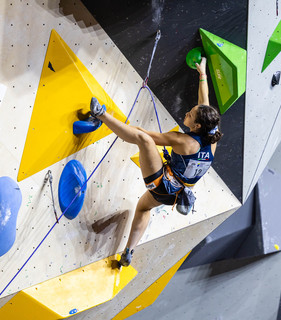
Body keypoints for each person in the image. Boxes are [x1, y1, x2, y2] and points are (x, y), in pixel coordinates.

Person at [90, 57, 222, 267]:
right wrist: (202, 74)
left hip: (162, 184)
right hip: (175, 195)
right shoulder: (210, 138)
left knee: (143, 139)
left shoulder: (183, 141)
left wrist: (124, 123)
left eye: (190, 114)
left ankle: (100, 114)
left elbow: (144, 135)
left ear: (196, 126)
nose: (187, 113)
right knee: (143, 208)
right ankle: (129, 251)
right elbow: (203, 101)